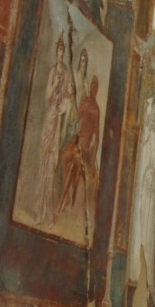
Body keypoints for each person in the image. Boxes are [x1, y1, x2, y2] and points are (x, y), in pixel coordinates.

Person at [35, 36, 74, 225]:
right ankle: (39, 213)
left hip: (57, 120)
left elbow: (68, 97)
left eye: (62, 51)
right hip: (49, 117)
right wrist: (53, 83)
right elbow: (46, 97)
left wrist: (64, 107)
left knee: (52, 165)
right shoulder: (53, 71)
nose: (60, 54)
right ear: (55, 52)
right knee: (43, 164)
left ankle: (49, 214)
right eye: (58, 51)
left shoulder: (66, 73)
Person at [59, 74, 101, 214]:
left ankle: (64, 200)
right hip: (77, 139)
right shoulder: (85, 101)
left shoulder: (96, 110)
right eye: (92, 84)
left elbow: (97, 136)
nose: (93, 87)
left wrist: (94, 155)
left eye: (96, 85)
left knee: (75, 170)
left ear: (97, 89)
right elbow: (77, 118)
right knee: (64, 156)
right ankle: (67, 196)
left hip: (84, 146)